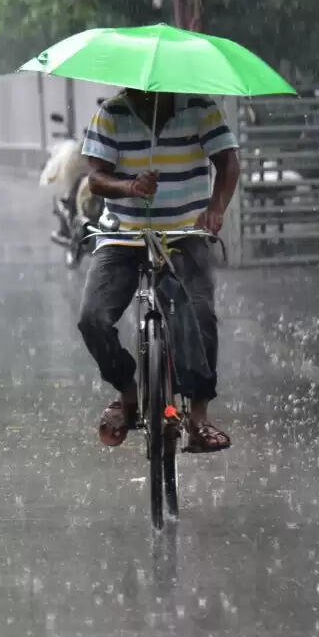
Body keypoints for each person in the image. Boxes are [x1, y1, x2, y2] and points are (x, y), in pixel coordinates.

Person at [77, 89, 240, 453]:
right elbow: (96, 179)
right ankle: (127, 391)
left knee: (198, 313)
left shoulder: (200, 108)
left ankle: (198, 416)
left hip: (184, 234)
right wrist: (130, 187)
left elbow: (228, 163)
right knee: (93, 319)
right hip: (123, 235)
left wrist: (216, 207)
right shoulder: (111, 114)